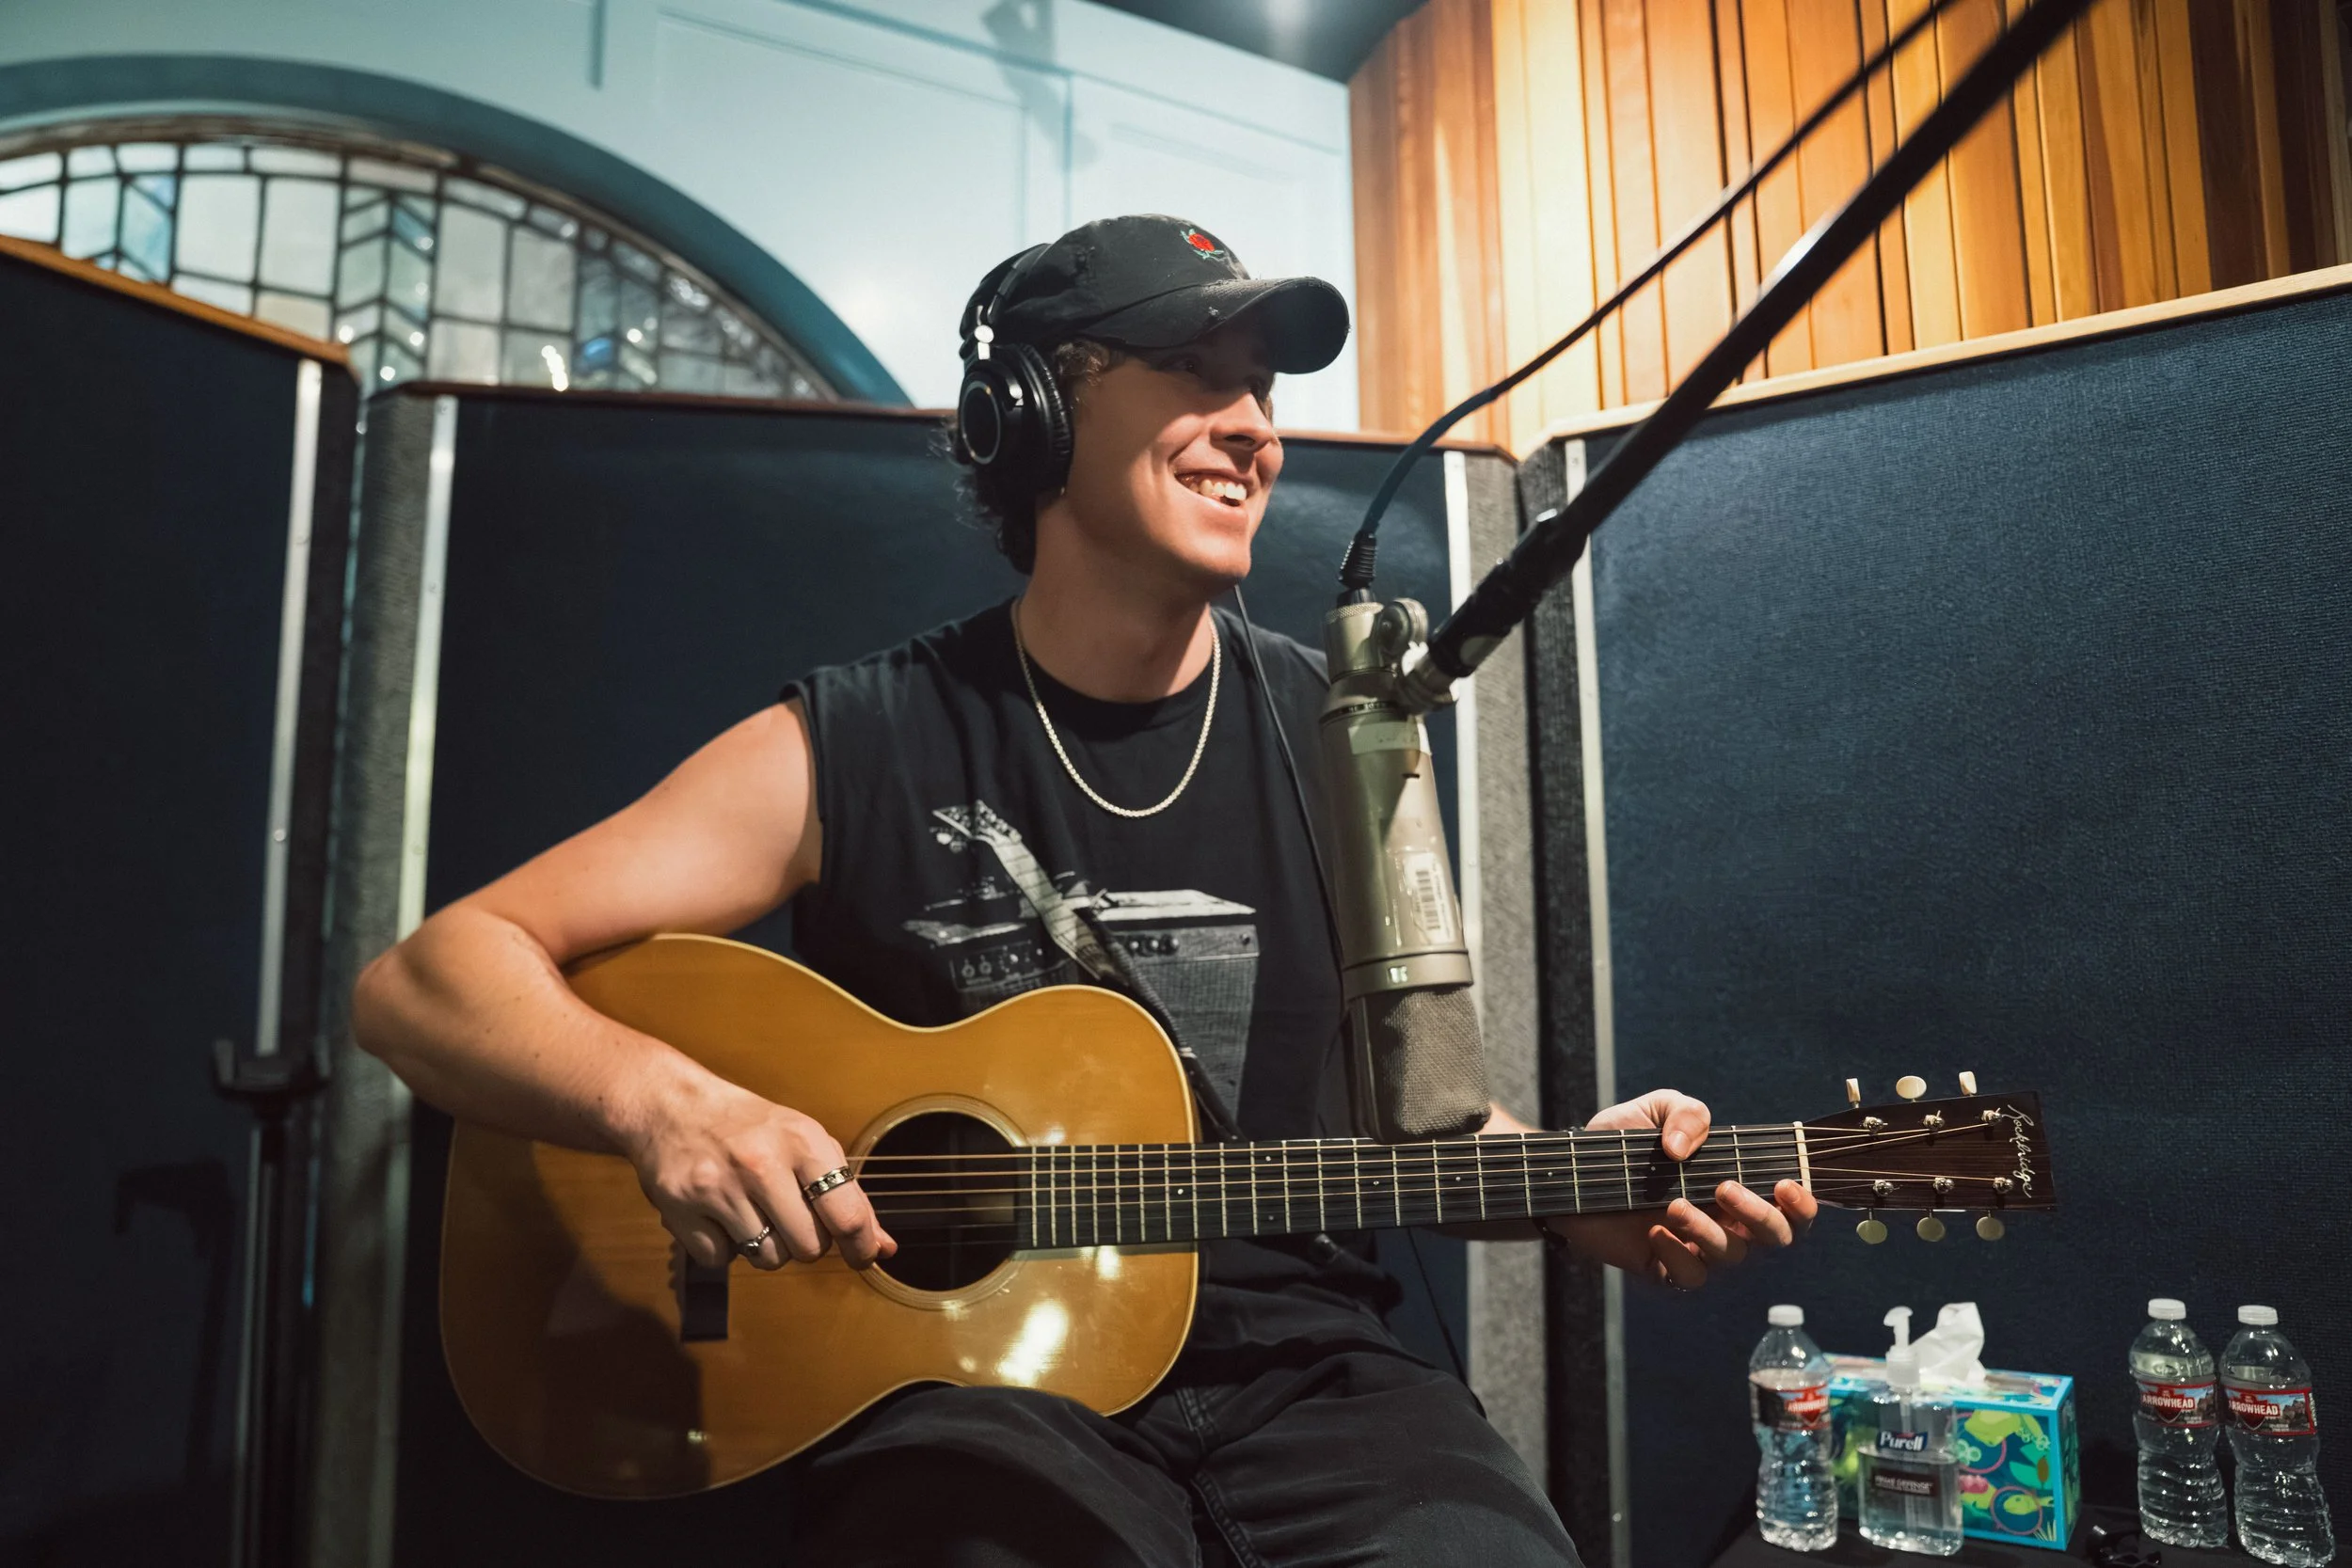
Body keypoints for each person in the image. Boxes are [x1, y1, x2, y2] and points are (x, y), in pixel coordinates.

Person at [352, 214, 1818, 1565]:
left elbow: (1418, 1121)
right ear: (1035, 412)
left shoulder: (1355, 742)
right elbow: (424, 981)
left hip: (1316, 1376)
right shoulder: (860, 736)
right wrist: (664, 1105)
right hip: (975, 1389)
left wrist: (1582, 1186)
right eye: (1195, 369)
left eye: (1261, 386)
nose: (1252, 425)